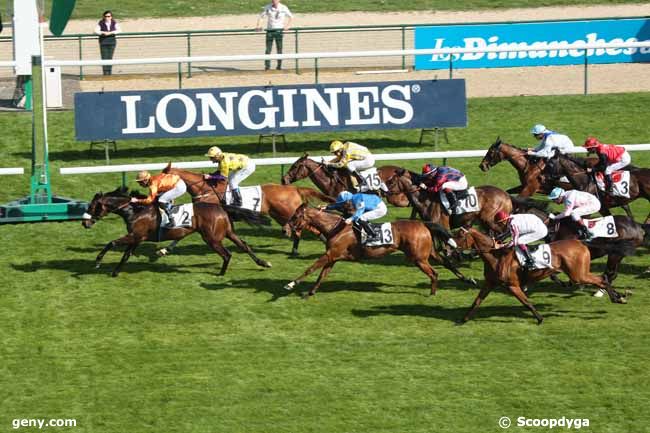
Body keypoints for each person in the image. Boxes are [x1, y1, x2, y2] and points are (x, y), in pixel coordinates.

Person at [255, 0, 293, 71]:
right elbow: (261, 17)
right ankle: (267, 67)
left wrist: (288, 26)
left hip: (279, 31)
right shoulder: (268, 7)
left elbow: (291, 17)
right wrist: (258, 26)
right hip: (270, 31)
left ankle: (279, 66)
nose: (274, 1)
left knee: (279, 49)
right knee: (268, 50)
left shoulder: (283, 7)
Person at [94, 10, 121, 76]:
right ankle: (105, 73)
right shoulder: (101, 22)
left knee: (110, 57)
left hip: (112, 42)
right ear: (104, 17)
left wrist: (111, 32)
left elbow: (119, 30)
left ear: (111, 17)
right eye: (106, 16)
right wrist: (103, 32)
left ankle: (109, 73)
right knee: (104, 58)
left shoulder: (114, 22)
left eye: (108, 16)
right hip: (103, 42)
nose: (107, 18)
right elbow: (95, 31)